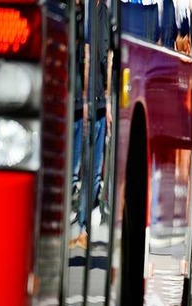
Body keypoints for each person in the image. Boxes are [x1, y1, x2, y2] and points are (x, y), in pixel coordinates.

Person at [70, 0, 112, 249]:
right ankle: (80, 228)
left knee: (79, 171)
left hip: (82, 102)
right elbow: (103, 55)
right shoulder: (99, 12)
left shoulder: (81, 12)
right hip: (91, 102)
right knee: (89, 171)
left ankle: (78, 227)